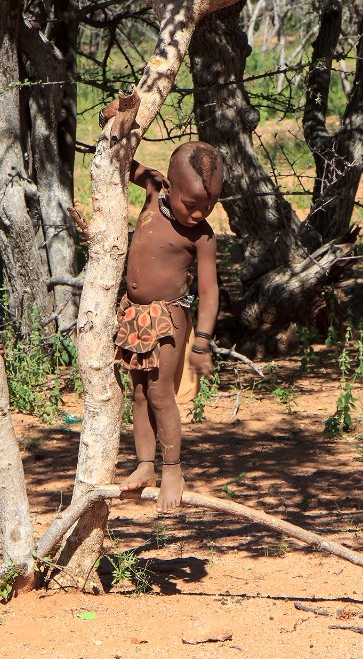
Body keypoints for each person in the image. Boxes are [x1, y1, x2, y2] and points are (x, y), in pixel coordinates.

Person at [100, 97, 222, 513]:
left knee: (161, 395)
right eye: (193, 203)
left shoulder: (202, 237)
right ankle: (144, 464)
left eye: (210, 205)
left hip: (168, 316)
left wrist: (202, 342)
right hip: (133, 314)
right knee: (138, 394)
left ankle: (174, 469)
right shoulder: (154, 190)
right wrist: (113, 117)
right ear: (169, 187)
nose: (200, 212)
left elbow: (209, 292)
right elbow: (117, 159)